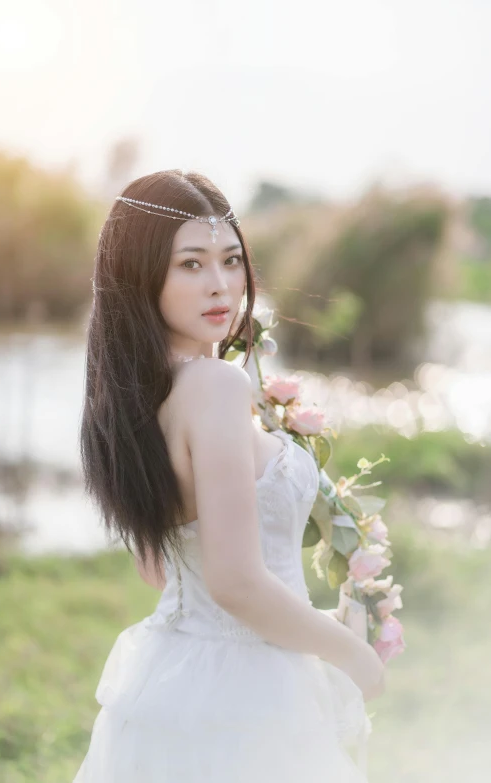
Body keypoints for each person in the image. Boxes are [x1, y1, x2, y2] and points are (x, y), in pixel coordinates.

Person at [73, 169, 385, 783]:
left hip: (173, 674)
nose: (220, 286)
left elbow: (159, 566)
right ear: (141, 275)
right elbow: (237, 582)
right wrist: (353, 654)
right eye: (190, 265)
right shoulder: (215, 386)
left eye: (231, 260)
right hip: (248, 685)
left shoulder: (141, 394)